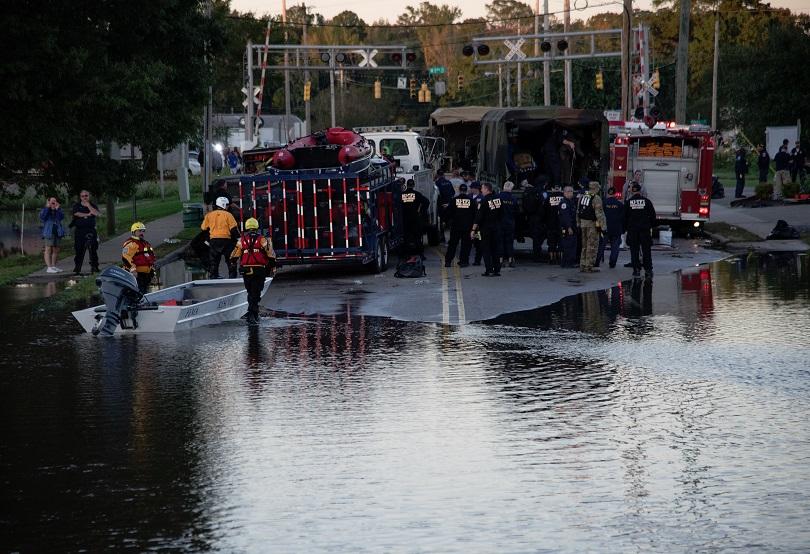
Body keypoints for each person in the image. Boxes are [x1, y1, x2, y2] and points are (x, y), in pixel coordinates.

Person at [230, 217, 276, 325]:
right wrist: (273, 266)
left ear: (247, 227)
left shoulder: (242, 240)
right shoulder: (262, 239)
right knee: (256, 292)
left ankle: (253, 313)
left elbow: (234, 255)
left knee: (250, 291)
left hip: (246, 270)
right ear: (256, 227)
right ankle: (252, 314)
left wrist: (233, 263)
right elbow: (270, 254)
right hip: (259, 269)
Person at [624, 182, 657, 279]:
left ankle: (636, 270)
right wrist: (651, 225)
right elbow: (653, 216)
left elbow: (624, 217)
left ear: (632, 191)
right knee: (646, 250)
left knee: (634, 250)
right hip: (644, 230)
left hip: (633, 230)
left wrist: (625, 229)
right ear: (640, 191)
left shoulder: (628, 202)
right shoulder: (647, 202)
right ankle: (648, 270)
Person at [201, 196, 239, 279]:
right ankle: (232, 276)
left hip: (214, 240)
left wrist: (207, 239)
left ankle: (214, 275)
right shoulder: (228, 215)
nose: (228, 206)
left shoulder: (209, 215)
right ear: (223, 204)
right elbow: (233, 229)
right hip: (226, 240)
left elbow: (203, 228)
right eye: (227, 205)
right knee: (230, 259)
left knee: (214, 260)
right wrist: (238, 239)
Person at [471, 182, 502, 276]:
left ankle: (489, 270)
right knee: (496, 249)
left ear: (487, 189)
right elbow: (502, 213)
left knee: (486, 249)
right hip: (496, 228)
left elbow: (478, 217)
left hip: (485, 229)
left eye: (482, 188)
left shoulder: (483, 201)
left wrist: (473, 230)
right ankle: (497, 270)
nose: (481, 190)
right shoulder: (498, 199)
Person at [576, 181, 607, 273]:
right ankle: (589, 266)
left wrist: (578, 223)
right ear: (596, 188)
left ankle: (582, 264)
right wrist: (603, 227)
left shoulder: (583, 196)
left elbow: (578, 211)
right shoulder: (596, 198)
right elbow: (599, 214)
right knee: (592, 245)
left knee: (584, 245)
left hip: (583, 224)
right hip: (592, 225)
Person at [444, 183, 475, 268]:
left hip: (456, 226)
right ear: (466, 191)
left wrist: (447, 222)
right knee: (466, 245)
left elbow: (448, 212)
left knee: (452, 244)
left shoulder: (454, 200)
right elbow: (475, 213)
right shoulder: (471, 201)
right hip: (467, 226)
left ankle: (448, 261)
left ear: (459, 190)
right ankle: (463, 261)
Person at [121, 222, 156, 294]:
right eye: (139, 231)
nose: (141, 233)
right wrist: (133, 270)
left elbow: (151, 259)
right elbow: (126, 257)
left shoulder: (146, 243)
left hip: (146, 275)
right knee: (138, 293)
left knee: (145, 294)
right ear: (133, 232)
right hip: (136, 274)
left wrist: (153, 273)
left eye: (143, 231)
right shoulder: (131, 243)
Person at [71, 190, 101, 274]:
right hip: (80, 231)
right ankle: (77, 267)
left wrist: (89, 206)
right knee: (79, 249)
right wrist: (87, 214)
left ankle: (95, 266)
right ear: (80, 197)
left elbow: (97, 214)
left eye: (86, 196)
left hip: (91, 230)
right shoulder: (77, 205)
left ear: (89, 196)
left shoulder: (92, 205)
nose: (84, 197)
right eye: (83, 196)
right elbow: (77, 213)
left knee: (93, 248)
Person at [596, 187, 625, 269]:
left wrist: (598, 227)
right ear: (615, 194)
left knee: (601, 246)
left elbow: (599, 216)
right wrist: (622, 229)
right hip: (616, 229)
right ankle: (612, 263)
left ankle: (596, 262)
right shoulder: (620, 204)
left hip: (604, 228)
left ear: (608, 194)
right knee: (615, 247)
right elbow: (623, 218)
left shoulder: (603, 203)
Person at [400, 178, 429, 258]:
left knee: (406, 237)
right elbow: (426, 202)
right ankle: (421, 254)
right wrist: (421, 211)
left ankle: (407, 255)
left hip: (405, 218)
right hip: (415, 218)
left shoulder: (402, 195)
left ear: (407, 185)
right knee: (417, 237)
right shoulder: (417, 194)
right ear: (413, 185)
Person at [521, 179, 546, 262]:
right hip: (538, 218)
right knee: (538, 237)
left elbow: (524, 206)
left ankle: (536, 255)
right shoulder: (539, 192)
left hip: (530, 217)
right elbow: (543, 204)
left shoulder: (526, 193)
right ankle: (537, 255)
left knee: (535, 237)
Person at [40, 196, 65, 273]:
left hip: (57, 231)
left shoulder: (59, 210)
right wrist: (48, 208)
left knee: (56, 250)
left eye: (55, 201)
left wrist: (57, 209)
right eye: (52, 202)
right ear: (48, 202)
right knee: (48, 249)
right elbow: (43, 217)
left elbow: (60, 218)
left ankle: (53, 266)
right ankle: (49, 267)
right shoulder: (45, 210)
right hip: (48, 232)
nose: (53, 203)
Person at [558, 186, 578, 268]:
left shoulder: (570, 202)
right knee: (568, 245)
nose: (572, 193)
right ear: (566, 192)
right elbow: (566, 217)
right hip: (567, 228)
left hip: (572, 226)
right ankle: (568, 263)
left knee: (571, 244)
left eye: (572, 192)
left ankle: (568, 262)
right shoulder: (564, 203)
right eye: (571, 192)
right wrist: (569, 227)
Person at [498, 181, 517, 268]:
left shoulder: (498, 197)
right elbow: (516, 211)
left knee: (500, 242)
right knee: (509, 242)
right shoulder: (513, 198)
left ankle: (500, 260)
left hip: (500, 223)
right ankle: (510, 260)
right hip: (510, 223)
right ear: (511, 189)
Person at [544, 183, 564, 264]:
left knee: (551, 242)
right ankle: (561, 259)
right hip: (561, 224)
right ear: (560, 188)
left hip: (551, 224)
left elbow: (544, 211)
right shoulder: (564, 198)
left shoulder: (548, 198)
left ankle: (552, 259)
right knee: (561, 242)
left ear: (552, 189)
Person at [469, 182, 484, 266]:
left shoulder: (482, 198)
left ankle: (477, 260)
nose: (470, 189)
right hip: (469, 224)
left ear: (476, 188)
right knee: (468, 242)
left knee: (478, 243)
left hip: (477, 226)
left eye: (472, 188)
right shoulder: (469, 196)